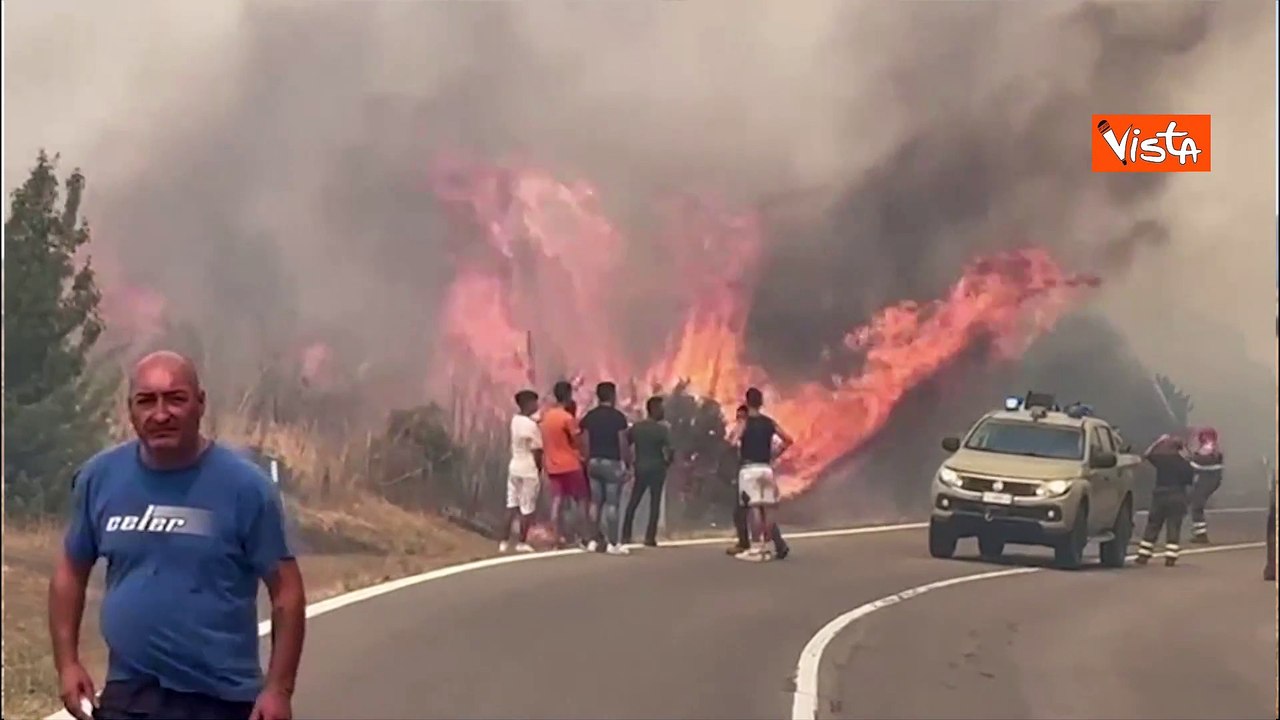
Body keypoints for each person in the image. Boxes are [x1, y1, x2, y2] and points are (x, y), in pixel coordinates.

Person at [48, 351, 305, 720]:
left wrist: (279, 690)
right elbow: (70, 573)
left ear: (200, 405)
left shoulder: (247, 488)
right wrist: (67, 664)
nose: (161, 414)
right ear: (130, 409)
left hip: (220, 698)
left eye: (176, 399)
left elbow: (287, 592)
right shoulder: (99, 478)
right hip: (130, 695)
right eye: (146, 401)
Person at [726, 387, 795, 562]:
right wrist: (774, 454)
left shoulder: (745, 422)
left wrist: (738, 436)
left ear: (747, 402)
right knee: (767, 508)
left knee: (754, 507)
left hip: (749, 469)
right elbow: (788, 439)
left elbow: (733, 441)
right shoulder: (769, 423)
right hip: (766, 468)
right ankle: (775, 544)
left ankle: (757, 547)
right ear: (761, 402)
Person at [539, 380, 593, 550]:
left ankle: (556, 538)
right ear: (569, 395)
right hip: (570, 464)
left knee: (557, 501)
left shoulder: (546, 417)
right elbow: (577, 441)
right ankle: (583, 538)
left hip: (552, 465)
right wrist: (585, 456)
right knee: (581, 501)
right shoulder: (567, 418)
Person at [580, 382, 632, 555]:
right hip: (612, 463)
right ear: (612, 395)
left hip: (593, 462)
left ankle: (593, 541)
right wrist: (626, 463)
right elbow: (622, 442)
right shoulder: (618, 418)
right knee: (612, 504)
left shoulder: (589, 417)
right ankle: (613, 543)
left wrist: (587, 461)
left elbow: (585, 441)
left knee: (595, 503)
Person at [621, 396, 674, 547]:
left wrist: (628, 461)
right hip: (657, 469)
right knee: (654, 504)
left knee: (634, 501)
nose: (663, 411)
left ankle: (626, 535)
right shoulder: (662, 430)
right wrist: (667, 463)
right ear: (655, 409)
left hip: (640, 467)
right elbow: (670, 450)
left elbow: (625, 441)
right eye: (661, 408)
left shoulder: (637, 428)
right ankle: (649, 537)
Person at [1136, 434, 1195, 567]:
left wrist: (1159, 441)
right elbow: (1189, 481)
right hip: (1177, 496)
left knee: (1153, 525)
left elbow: (1147, 454)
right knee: (1173, 526)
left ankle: (1143, 555)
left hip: (1160, 495)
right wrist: (1187, 454)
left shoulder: (1162, 460)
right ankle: (1170, 557)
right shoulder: (1185, 465)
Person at [501, 389, 543, 553]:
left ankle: (504, 541)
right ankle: (522, 542)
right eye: (535, 402)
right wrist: (538, 470)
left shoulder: (515, 420)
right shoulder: (531, 426)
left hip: (514, 465)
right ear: (528, 404)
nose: (537, 405)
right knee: (527, 507)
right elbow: (538, 451)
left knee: (511, 504)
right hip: (528, 468)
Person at [1187, 426, 1224, 544]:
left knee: (1197, 505)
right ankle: (1199, 533)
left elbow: (1199, 464)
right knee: (1196, 505)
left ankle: (1201, 535)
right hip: (1208, 481)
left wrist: (1190, 460)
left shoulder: (1209, 448)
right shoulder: (1211, 448)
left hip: (1208, 481)